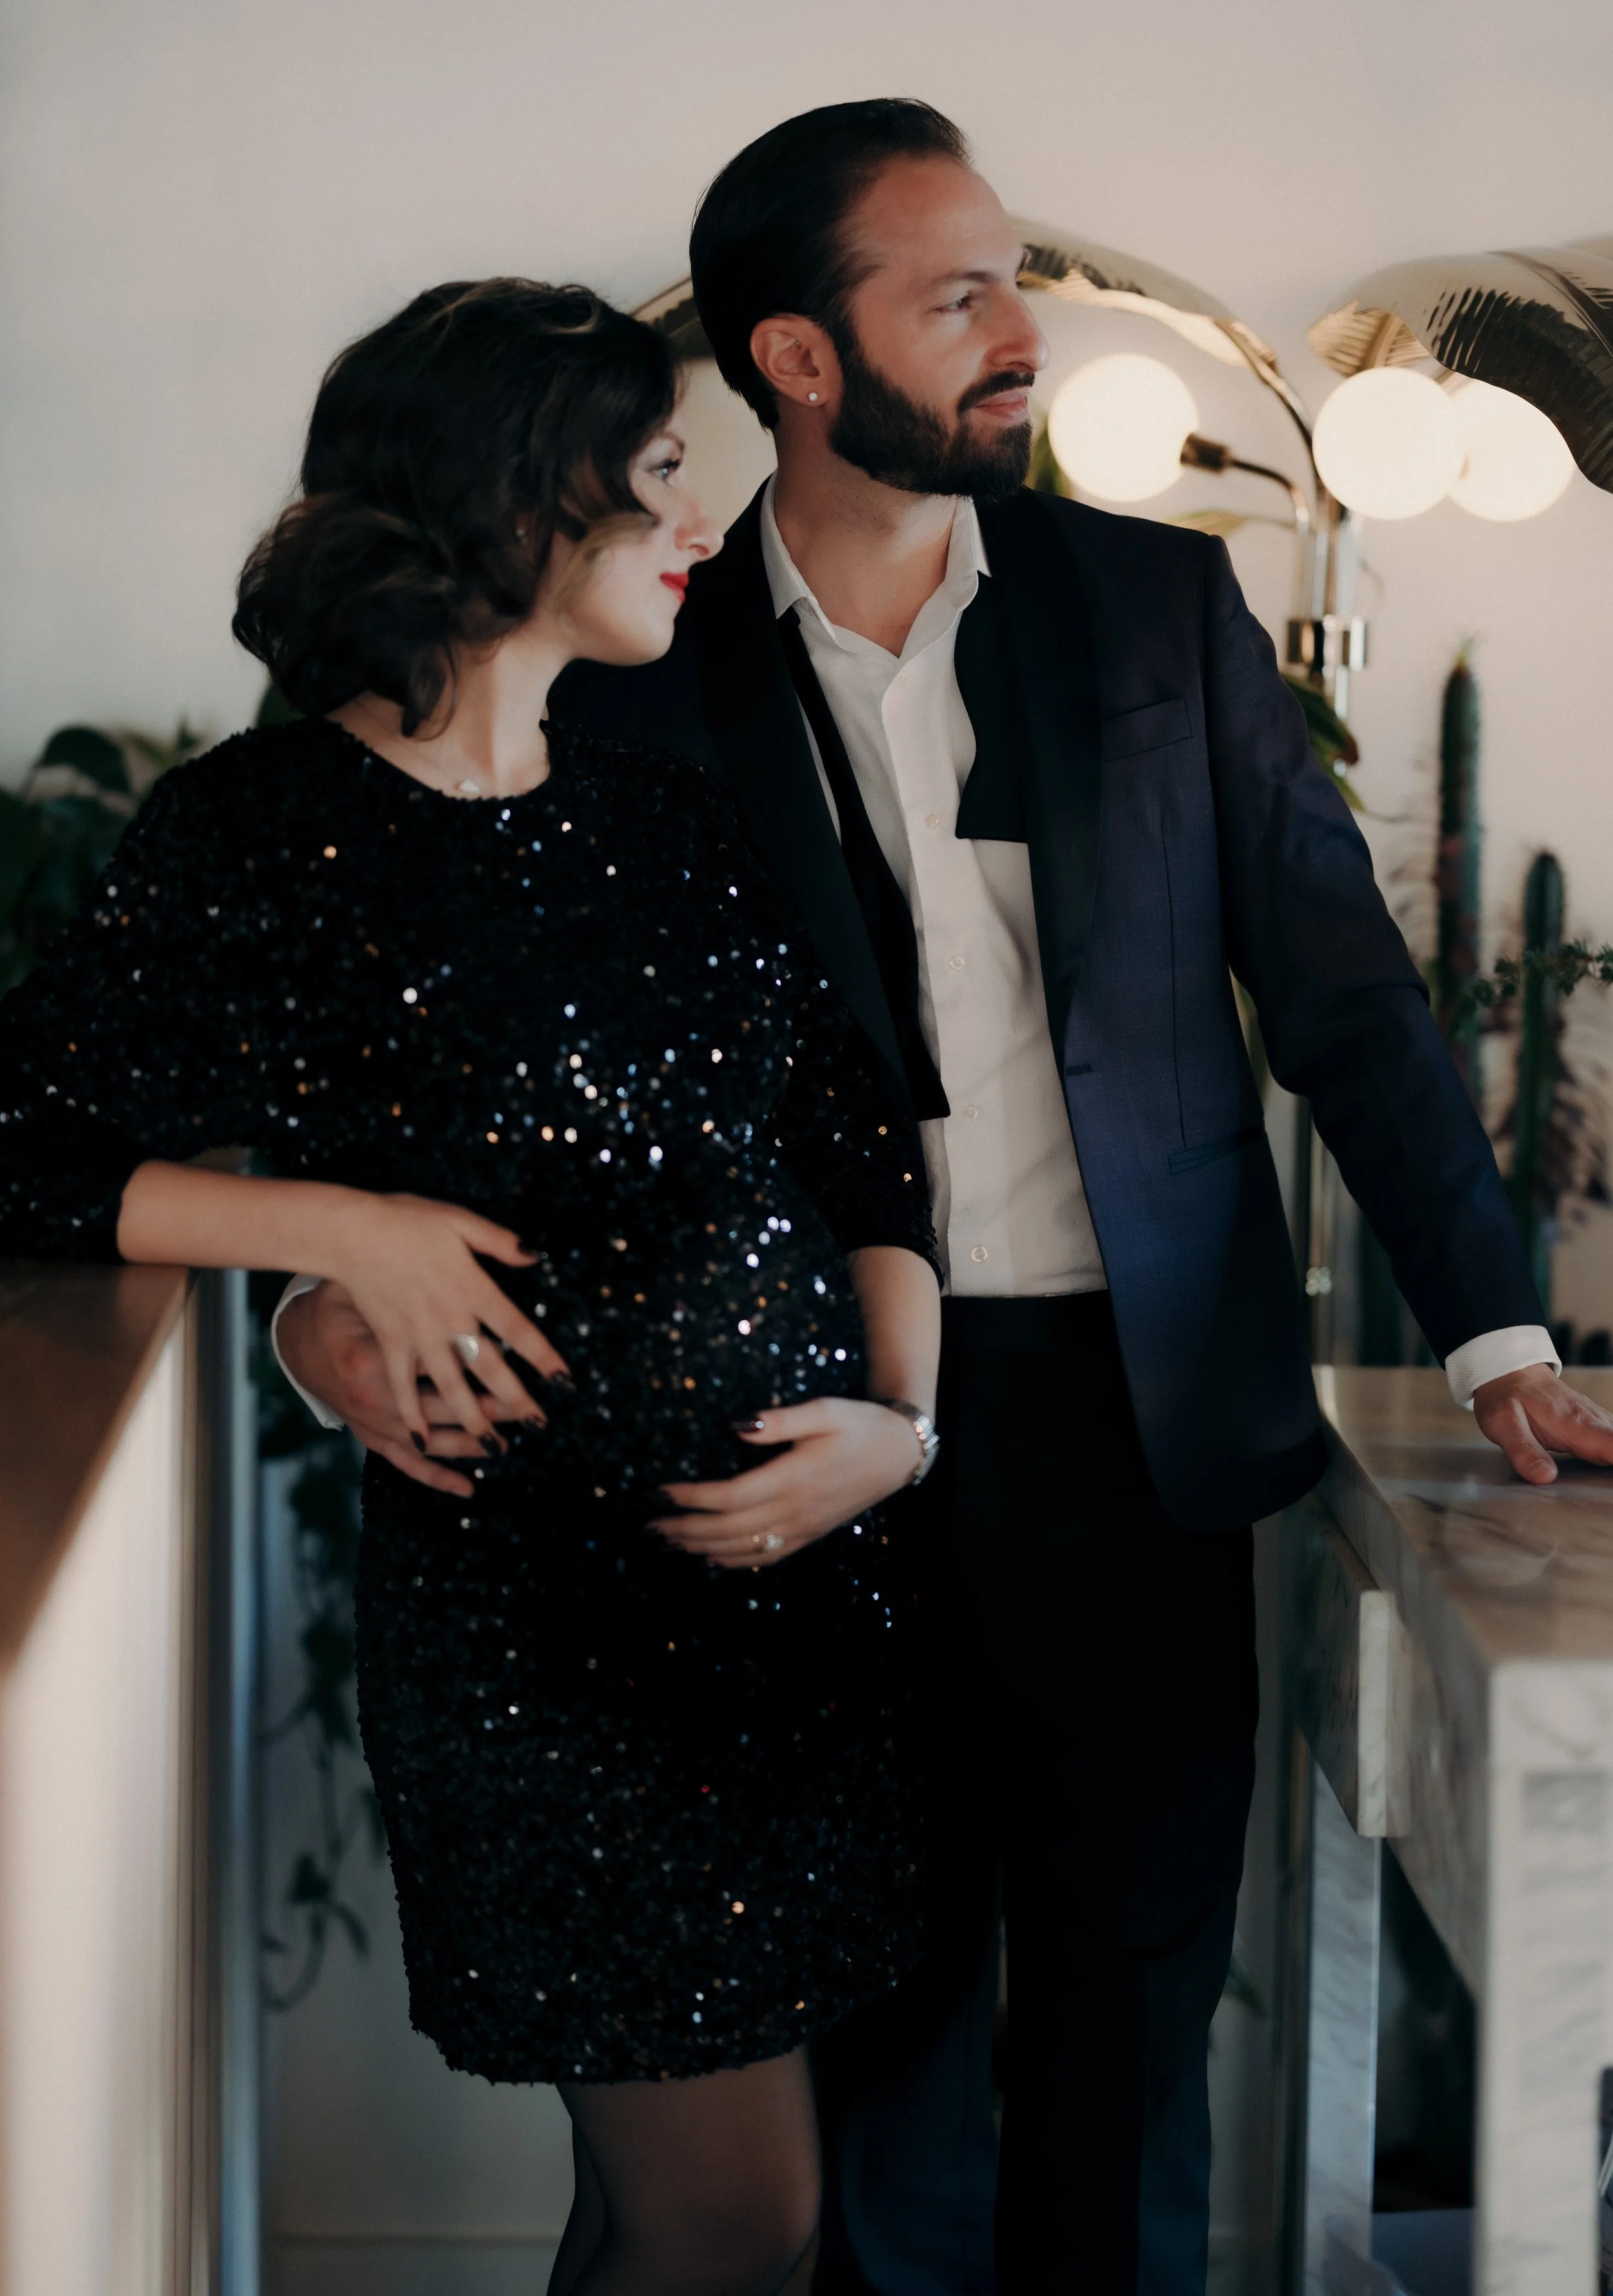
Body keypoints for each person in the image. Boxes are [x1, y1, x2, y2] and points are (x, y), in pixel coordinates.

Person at [275, 106, 1613, 2296]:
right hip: (783, 1443)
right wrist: (323, 1294)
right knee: (858, 2067)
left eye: (1015, 278)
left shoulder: (1161, 603)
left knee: (1125, 2038)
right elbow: (458, 1034)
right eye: (958, 294)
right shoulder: (631, 667)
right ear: (797, 359)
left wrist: (1498, 1334)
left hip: (1135, 1424)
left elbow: (1347, 1003)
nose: (1023, 333)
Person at [0, 278, 947, 2296]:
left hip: (799, 1624)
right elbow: (28, 1145)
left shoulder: (667, 821)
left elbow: (864, 1151)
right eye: (655, 475)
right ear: (518, 494)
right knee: (733, 2221)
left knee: (662, 2206)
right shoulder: (259, 833)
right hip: (545, 1640)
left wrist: (901, 1426)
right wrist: (330, 1241)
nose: (698, 517)